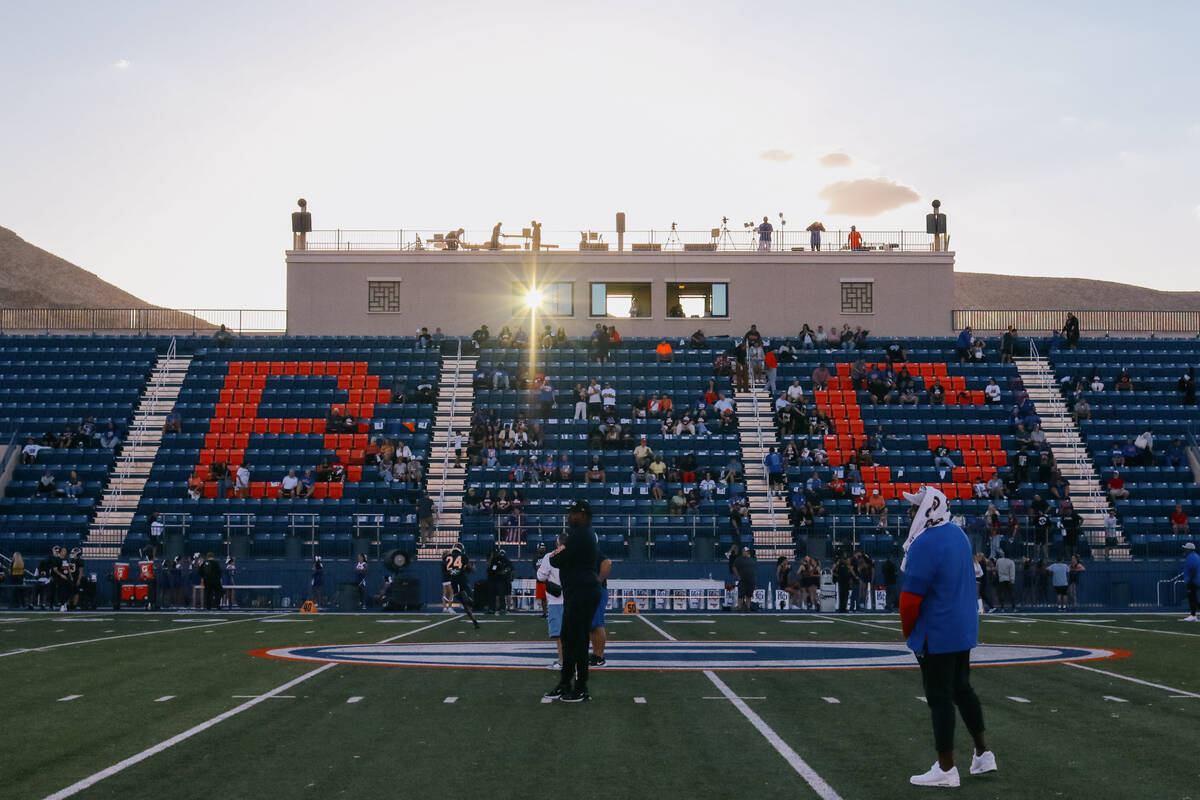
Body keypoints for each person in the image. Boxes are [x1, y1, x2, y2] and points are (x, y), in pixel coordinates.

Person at [900, 486, 996, 787]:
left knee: (939, 698)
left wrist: (909, 634)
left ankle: (946, 768)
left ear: (928, 509)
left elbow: (910, 599)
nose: (909, 513)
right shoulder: (958, 535)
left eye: (914, 507)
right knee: (962, 690)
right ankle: (983, 753)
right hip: (960, 628)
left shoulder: (925, 543)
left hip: (937, 631)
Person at [545, 500, 603, 702]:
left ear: (583, 515)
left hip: (582, 593)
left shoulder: (579, 535)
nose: (569, 517)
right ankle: (565, 683)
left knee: (577, 642)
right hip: (578, 592)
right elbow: (558, 558)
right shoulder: (582, 534)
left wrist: (558, 554)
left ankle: (580, 688)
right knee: (569, 639)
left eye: (573, 513)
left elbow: (555, 559)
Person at [537, 535, 566, 669]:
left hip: (557, 599)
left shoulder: (550, 556)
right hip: (574, 598)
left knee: (560, 633)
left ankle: (562, 661)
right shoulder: (578, 555)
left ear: (557, 543)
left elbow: (541, 576)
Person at [589, 550, 613, 666]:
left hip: (597, 591)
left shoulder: (595, 553)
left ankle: (600, 656)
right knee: (591, 626)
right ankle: (595, 654)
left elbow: (608, 562)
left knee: (598, 624)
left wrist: (599, 579)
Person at [1183, 542, 1199, 622]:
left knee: (1192, 598)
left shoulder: (1191, 557)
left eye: (1186, 549)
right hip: (1195, 580)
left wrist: (1189, 581)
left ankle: (1193, 615)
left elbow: (1193, 570)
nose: (1184, 550)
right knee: (1194, 598)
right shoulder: (1195, 556)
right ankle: (1193, 615)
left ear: (1189, 550)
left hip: (1193, 581)